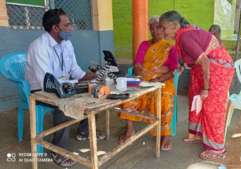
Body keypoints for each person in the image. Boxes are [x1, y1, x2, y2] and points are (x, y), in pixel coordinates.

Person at [25, 9, 104, 167]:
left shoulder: (66, 43)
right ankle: (59, 151)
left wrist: (97, 76)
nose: (72, 27)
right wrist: (73, 86)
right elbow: (46, 82)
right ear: (55, 28)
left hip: (64, 85)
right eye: (67, 24)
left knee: (95, 90)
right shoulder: (39, 47)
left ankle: (84, 131)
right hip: (41, 90)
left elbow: (75, 71)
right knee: (63, 104)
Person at [160, 11, 234, 160]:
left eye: (163, 28)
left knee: (212, 106)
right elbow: (191, 57)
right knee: (195, 99)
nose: (161, 31)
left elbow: (205, 61)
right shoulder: (182, 35)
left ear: (174, 26)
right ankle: (198, 134)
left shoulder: (185, 37)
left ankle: (218, 149)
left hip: (217, 68)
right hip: (201, 69)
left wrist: (206, 89)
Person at [119, 16, 178, 151]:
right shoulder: (144, 45)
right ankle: (130, 129)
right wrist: (142, 72)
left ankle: (166, 134)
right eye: (151, 28)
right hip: (143, 78)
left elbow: (172, 71)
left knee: (165, 95)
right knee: (128, 92)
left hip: (162, 80)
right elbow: (137, 64)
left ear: (163, 29)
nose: (154, 31)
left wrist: (158, 78)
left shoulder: (170, 47)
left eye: (158, 27)